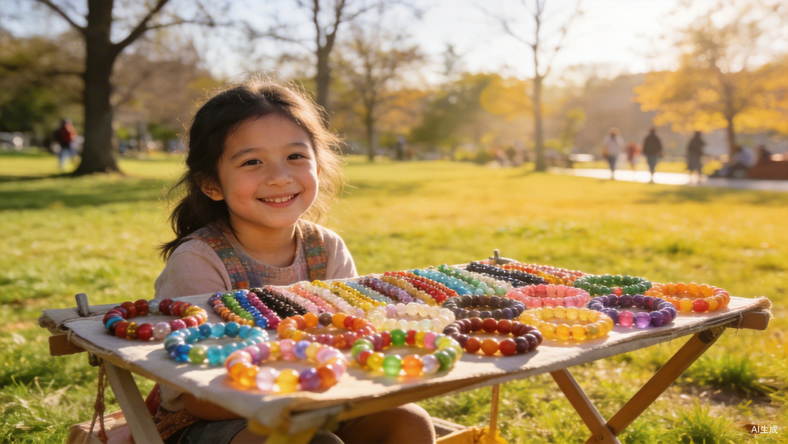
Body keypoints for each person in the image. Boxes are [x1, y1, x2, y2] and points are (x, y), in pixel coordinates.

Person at [154, 76, 436, 444]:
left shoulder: (327, 249)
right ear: (212, 184)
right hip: (217, 417)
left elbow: (354, 341)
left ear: (318, 165)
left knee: (409, 422)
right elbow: (199, 395)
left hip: (320, 399)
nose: (279, 176)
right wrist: (300, 389)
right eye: (252, 161)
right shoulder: (199, 261)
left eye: (295, 156)